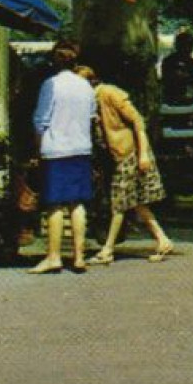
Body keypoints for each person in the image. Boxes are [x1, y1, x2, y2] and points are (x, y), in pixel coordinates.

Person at [78, 65, 175, 265]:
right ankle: (162, 239)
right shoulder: (92, 101)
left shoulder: (109, 93)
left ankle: (107, 250)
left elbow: (138, 121)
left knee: (119, 203)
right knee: (136, 202)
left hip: (129, 153)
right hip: (119, 154)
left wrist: (143, 154)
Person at [29, 39, 97, 274]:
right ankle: (79, 256)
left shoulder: (51, 85)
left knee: (55, 204)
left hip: (55, 148)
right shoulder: (85, 86)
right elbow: (91, 116)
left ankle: (54, 256)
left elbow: (41, 120)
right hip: (80, 147)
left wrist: (37, 150)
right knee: (77, 203)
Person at [161, 30, 193, 107]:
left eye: (190, 45)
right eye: (185, 45)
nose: (188, 48)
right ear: (177, 45)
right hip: (172, 100)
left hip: (191, 101)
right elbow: (168, 79)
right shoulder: (169, 61)